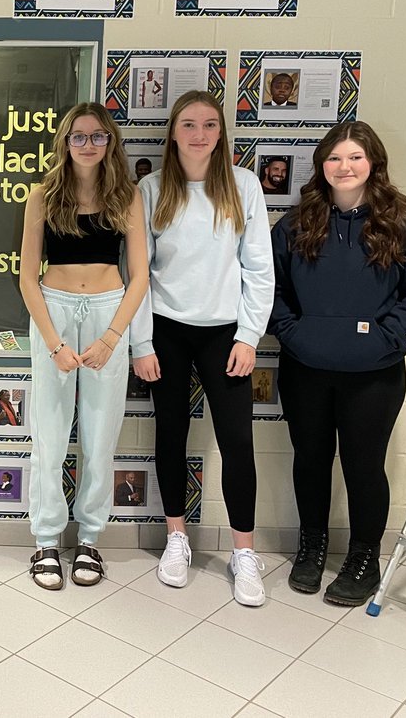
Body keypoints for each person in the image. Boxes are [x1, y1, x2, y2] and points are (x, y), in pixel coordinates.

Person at [269, 121, 406, 607]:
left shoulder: (401, 221)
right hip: (306, 370)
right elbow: (272, 290)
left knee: (365, 467)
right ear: (322, 166)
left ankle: (365, 557)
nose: (344, 167)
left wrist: (387, 339)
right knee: (311, 461)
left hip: (375, 376)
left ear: (373, 164)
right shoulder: (297, 222)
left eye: (355, 158)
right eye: (334, 158)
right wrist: (293, 333)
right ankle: (312, 546)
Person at [131, 90, 274, 607]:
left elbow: (259, 267)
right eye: (188, 124)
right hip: (166, 331)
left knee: (237, 440)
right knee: (171, 434)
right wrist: (141, 341)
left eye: (209, 125)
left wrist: (249, 335)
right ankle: (176, 538)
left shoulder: (244, 186)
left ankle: (243, 554)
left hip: (225, 334)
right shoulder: (150, 189)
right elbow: (137, 274)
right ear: (173, 132)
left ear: (221, 133)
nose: (198, 134)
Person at [19, 102, 150, 590]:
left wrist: (112, 337)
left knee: (100, 436)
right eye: (79, 136)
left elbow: (138, 277)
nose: (89, 144)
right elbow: (27, 278)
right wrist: (53, 343)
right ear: (65, 142)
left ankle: (91, 537)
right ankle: (47, 540)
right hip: (52, 311)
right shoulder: (43, 196)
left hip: (107, 312)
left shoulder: (127, 197)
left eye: (98, 136)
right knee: (50, 434)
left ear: (110, 142)